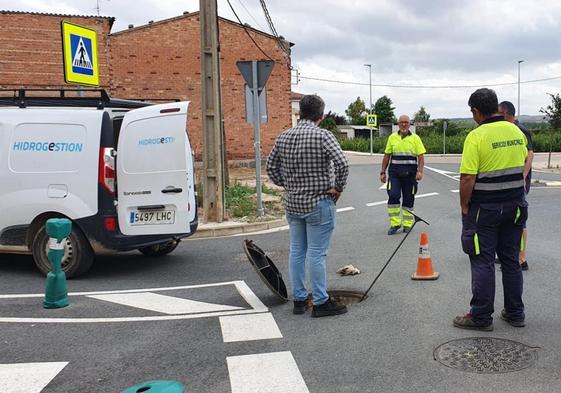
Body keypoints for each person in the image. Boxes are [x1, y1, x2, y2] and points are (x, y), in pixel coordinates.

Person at [266, 94, 349, 318]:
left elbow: (270, 167)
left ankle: (300, 300)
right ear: (321, 115)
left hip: (293, 203)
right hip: (318, 202)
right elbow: (342, 162)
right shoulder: (323, 136)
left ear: (300, 112)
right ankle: (321, 302)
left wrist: (287, 184)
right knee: (316, 253)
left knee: (297, 251)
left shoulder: (284, 136)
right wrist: (338, 188)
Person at [454, 88, 528, 331]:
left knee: (483, 260)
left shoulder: (477, 136)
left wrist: (465, 205)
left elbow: (467, 178)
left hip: (485, 208)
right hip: (516, 206)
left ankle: (481, 316)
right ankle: (515, 312)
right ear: (496, 107)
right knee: (510, 259)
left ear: (476, 111)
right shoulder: (516, 131)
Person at [498, 101, 534, 271]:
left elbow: (530, 156)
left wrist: (523, 177)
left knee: (519, 221)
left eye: (498, 114)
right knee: (507, 218)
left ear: (506, 114)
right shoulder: (505, 130)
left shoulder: (521, 130)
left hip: (518, 184)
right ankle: (508, 253)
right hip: (507, 183)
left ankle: (521, 257)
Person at [379, 115, 426, 235]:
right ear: (398, 124)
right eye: (401, 122)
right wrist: (382, 172)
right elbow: (387, 155)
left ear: (409, 124)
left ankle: (407, 224)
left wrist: (420, 171)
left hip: (410, 174)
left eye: (406, 122)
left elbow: (420, 157)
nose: (404, 124)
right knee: (393, 195)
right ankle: (395, 223)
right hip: (394, 173)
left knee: (408, 199)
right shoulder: (392, 137)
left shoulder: (415, 138)